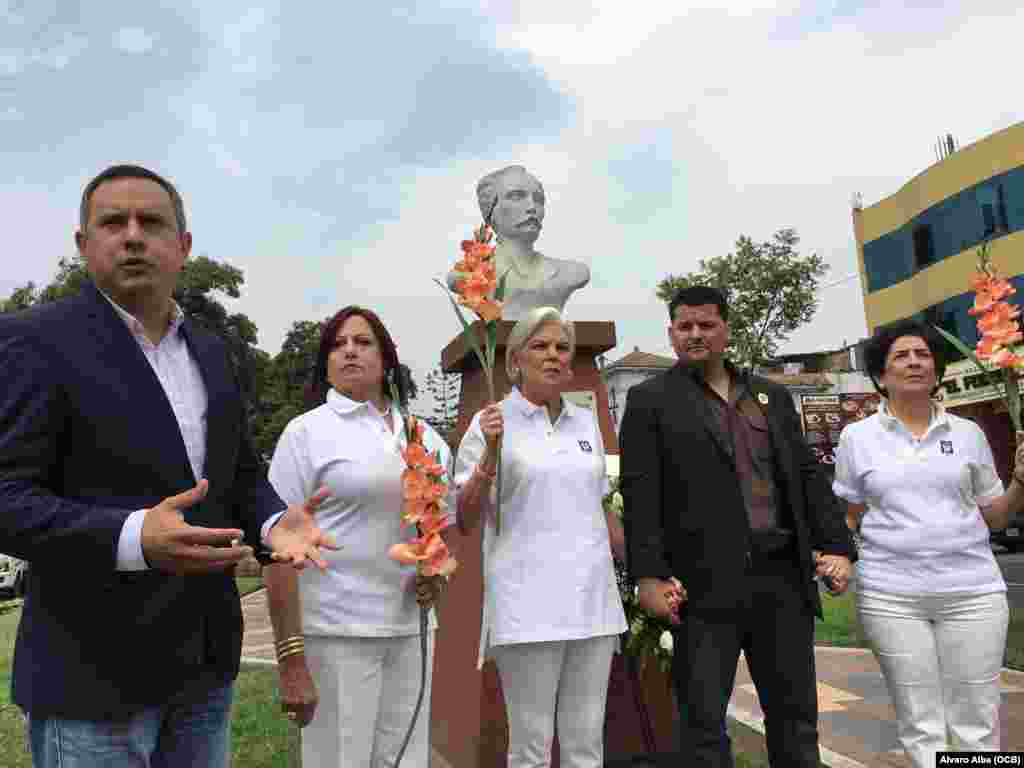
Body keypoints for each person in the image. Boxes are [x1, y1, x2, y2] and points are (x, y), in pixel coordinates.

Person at [0, 164, 337, 768]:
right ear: (84, 245)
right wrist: (132, 536)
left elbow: (235, 475)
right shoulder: (32, 342)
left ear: (182, 247)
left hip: (203, 672)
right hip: (91, 682)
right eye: (112, 222)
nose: (132, 235)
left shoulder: (214, 348)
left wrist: (270, 525)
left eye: (151, 222)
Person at [620, 285, 855, 768]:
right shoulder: (650, 401)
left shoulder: (771, 396)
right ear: (671, 334)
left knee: (795, 719)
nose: (696, 335)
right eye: (685, 326)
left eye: (706, 325)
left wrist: (837, 546)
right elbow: (640, 493)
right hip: (700, 589)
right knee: (702, 724)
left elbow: (806, 475)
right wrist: (648, 575)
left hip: (782, 581)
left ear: (725, 330)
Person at [263, 306, 454, 768]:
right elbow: (276, 550)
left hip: (411, 630)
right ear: (326, 363)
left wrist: (437, 577)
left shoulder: (422, 435)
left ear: (386, 358)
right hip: (337, 633)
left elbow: (439, 531)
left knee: (406, 759)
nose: (349, 350)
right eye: (337, 344)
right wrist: (291, 659)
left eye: (363, 342)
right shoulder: (306, 433)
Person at [833, 319, 1024, 766]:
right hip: (892, 596)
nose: (915, 362)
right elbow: (850, 515)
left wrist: (1019, 482)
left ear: (937, 370)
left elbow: (995, 515)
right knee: (921, 721)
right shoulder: (856, 439)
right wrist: (838, 555)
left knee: (977, 718)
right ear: (881, 376)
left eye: (923, 355)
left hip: (972, 592)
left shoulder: (968, 435)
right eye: (901, 355)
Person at [455, 306, 627, 768]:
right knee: (531, 747)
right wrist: (489, 457)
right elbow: (465, 518)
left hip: (592, 603)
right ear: (515, 361)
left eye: (562, 347)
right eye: (540, 345)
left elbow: (598, 507)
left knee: (586, 744)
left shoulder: (585, 423)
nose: (553, 355)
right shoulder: (491, 422)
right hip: (528, 606)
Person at [447, 165, 590, 319]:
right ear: (491, 212)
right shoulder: (466, 276)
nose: (532, 207)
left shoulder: (571, 273)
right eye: (516, 196)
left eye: (538, 200)